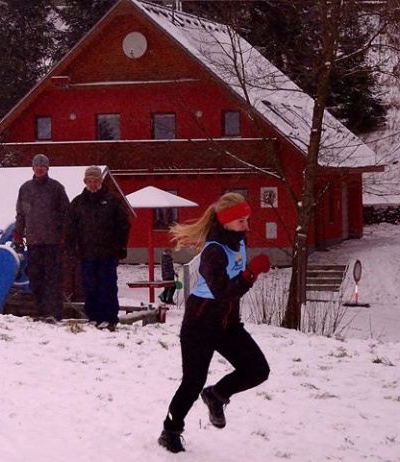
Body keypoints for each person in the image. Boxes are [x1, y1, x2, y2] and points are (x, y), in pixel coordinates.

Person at [157, 192, 271, 454]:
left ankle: (217, 395)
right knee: (192, 382)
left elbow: (233, 288)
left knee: (257, 370)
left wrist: (248, 273)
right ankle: (170, 431)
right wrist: (251, 274)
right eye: (241, 221)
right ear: (226, 221)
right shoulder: (213, 251)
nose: (247, 226)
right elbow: (221, 291)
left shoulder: (238, 239)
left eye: (247, 220)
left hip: (228, 322)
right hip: (200, 323)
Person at [65, 166, 131, 331]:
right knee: (89, 286)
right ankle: (93, 317)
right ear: (85, 182)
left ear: (100, 182)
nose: (93, 184)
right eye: (90, 181)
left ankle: (110, 318)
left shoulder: (113, 201)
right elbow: (70, 228)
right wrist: (71, 247)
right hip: (86, 253)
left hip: (108, 253)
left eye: (96, 181)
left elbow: (123, 226)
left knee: (107, 285)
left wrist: (121, 246)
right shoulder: (77, 203)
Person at [13, 154, 69, 321]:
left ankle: (55, 313)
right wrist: (18, 233)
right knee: (36, 278)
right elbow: (20, 214)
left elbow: (66, 214)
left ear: (47, 168)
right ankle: (41, 312)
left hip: (53, 242)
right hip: (33, 242)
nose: (39, 168)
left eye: (43, 165)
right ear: (33, 168)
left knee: (52, 279)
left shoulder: (57, 188)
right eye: (37, 165)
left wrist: (64, 235)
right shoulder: (25, 188)